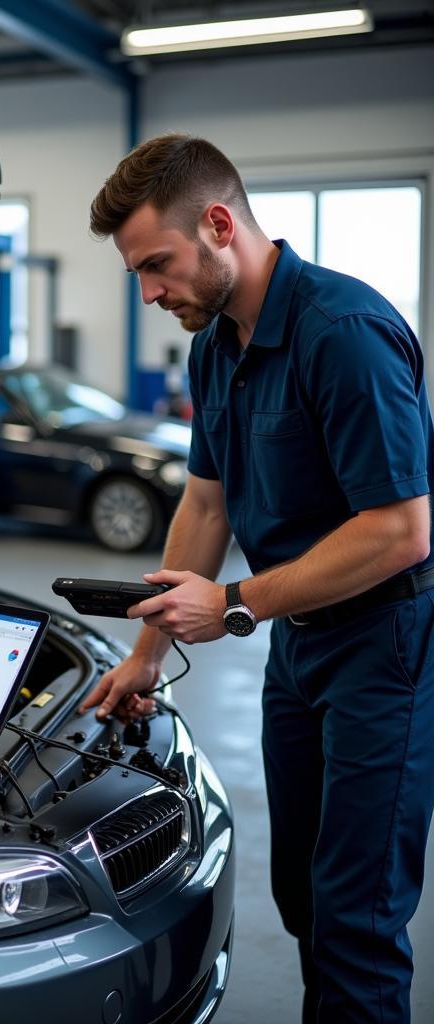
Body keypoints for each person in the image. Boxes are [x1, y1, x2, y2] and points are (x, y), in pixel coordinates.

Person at [80, 134, 434, 1024]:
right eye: (138, 274)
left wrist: (235, 605)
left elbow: (400, 533)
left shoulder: (343, 334)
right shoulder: (216, 349)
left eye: (157, 265)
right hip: (300, 646)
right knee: (303, 900)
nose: (151, 292)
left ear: (219, 223)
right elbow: (206, 509)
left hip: (384, 648)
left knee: (356, 921)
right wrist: (146, 655)